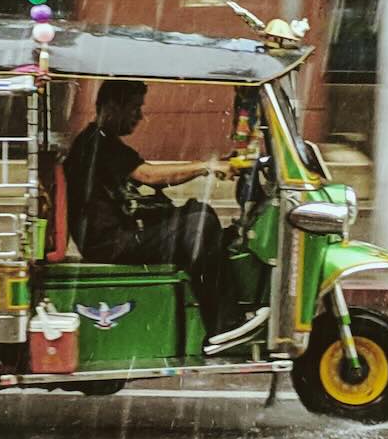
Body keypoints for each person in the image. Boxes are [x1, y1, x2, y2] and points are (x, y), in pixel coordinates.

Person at [63, 80, 250, 343]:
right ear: (112, 107)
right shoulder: (97, 143)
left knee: (199, 212)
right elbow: (149, 175)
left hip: (118, 236)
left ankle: (224, 311)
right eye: (135, 108)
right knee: (198, 227)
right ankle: (224, 324)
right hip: (112, 243)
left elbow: (147, 178)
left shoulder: (103, 140)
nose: (139, 116)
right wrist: (207, 166)